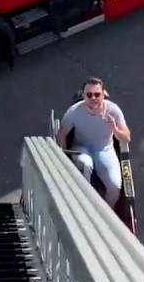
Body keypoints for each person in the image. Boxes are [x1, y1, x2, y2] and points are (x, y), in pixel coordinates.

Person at [56, 77, 130, 207]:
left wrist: (114, 129)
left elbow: (126, 137)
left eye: (97, 94)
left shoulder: (113, 110)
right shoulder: (74, 111)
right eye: (89, 95)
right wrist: (63, 154)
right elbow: (62, 133)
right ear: (83, 95)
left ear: (103, 94)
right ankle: (84, 204)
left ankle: (108, 213)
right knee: (85, 164)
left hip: (105, 149)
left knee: (114, 186)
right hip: (81, 147)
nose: (93, 98)